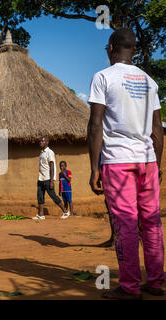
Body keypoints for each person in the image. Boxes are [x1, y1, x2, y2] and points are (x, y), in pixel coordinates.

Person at [88, 28, 164, 300]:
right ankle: (156, 281)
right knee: (151, 221)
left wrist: (95, 167)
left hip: (118, 161)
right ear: (134, 50)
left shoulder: (103, 77)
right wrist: (158, 163)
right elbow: (157, 128)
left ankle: (130, 287)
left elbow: (95, 125)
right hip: (148, 161)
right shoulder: (149, 81)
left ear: (111, 48)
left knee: (126, 224)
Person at [33, 137, 70, 220]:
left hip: (47, 178)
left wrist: (52, 180)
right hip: (40, 178)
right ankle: (41, 214)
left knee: (53, 196)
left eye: (42, 141)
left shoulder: (49, 152)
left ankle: (65, 211)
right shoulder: (41, 153)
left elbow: (52, 166)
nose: (40, 142)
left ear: (47, 142)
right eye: (40, 141)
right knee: (40, 196)